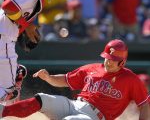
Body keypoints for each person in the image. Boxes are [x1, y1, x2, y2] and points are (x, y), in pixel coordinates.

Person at [0, 39, 150, 120]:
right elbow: (66, 80)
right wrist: (49, 77)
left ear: (122, 62)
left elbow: (144, 105)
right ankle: (3, 111)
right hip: (74, 104)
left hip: (94, 116)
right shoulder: (91, 68)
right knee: (42, 100)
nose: (108, 61)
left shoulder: (131, 79)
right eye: (106, 57)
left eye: (112, 59)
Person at [0, 0, 64, 104]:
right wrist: (26, 25)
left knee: (18, 74)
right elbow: (8, 7)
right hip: (3, 37)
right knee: (8, 92)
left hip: (4, 35)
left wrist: (25, 26)